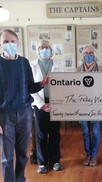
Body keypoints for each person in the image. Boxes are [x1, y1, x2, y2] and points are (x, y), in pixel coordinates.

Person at [0, 29, 49, 182]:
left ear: (18, 43)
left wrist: (41, 84)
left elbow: (29, 87)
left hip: (25, 113)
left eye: (13, 41)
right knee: (7, 155)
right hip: (4, 115)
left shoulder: (23, 63)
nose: (10, 44)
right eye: (6, 41)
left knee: (23, 153)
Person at [30, 39, 62, 174]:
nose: (44, 49)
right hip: (39, 105)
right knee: (41, 134)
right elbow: (30, 88)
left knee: (55, 134)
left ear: (51, 50)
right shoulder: (32, 66)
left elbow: (63, 86)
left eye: (47, 47)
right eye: (41, 47)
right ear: (37, 50)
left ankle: (55, 161)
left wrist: (56, 103)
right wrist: (41, 105)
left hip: (56, 104)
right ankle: (42, 162)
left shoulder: (58, 65)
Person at [76, 45, 102, 167]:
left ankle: (94, 155)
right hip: (82, 105)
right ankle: (87, 154)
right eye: (86, 53)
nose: (88, 55)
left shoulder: (100, 68)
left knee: (96, 131)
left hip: (97, 105)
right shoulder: (78, 69)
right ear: (82, 55)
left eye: (90, 52)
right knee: (85, 131)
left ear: (95, 54)